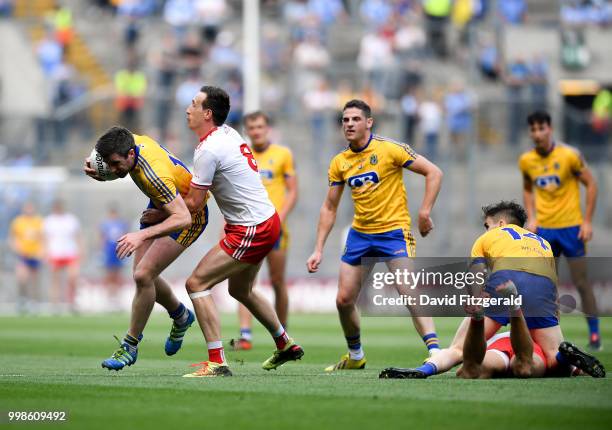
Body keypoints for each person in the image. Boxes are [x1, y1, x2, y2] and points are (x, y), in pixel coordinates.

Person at [380, 201, 605, 379]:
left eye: (487, 224)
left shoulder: (489, 236)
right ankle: (567, 359)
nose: (486, 229)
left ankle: (425, 370)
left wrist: (477, 298)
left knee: (458, 349)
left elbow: (476, 271)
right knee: (552, 358)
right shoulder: (542, 242)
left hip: (506, 280)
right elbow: (552, 287)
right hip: (542, 288)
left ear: (501, 224)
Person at [306, 99, 443, 371]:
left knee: (408, 291)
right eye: (345, 120)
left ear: (369, 122)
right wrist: (318, 248)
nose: (349, 124)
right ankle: (356, 355)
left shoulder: (390, 149)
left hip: (393, 232)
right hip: (360, 235)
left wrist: (425, 212)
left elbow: (434, 172)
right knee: (344, 300)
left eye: (355, 119)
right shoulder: (340, 162)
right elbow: (329, 207)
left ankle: (436, 350)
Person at [179, 86, 304, 377]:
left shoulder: (209, 149)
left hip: (252, 228)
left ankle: (217, 363)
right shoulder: (228, 133)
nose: (188, 109)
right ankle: (284, 343)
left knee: (196, 284)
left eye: (194, 104)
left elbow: (195, 205)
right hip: (265, 221)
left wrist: (163, 207)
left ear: (207, 114)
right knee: (240, 289)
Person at [84, 126, 208, 371]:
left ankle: (130, 345)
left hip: (189, 215)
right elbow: (114, 145)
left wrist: (141, 235)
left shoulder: (154, 175)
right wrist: (103, 172)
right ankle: (181, 315)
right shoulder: (127, 144)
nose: (114, 168)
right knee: (142, 277)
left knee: (143, 275)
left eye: (116, 164)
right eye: (109, 164)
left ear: (131, 154)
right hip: (162, 203)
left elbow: (182, 217)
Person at [520, 111, 600, 350]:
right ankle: (555, 340)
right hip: (544, 230)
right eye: (533, 129)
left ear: (550, 128)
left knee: (581, 282)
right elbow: (527, 188)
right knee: (546, 286)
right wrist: (531, 217)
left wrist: (587, 221)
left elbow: (591, 184)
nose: (537, 133)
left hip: (571, 228)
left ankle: (595, 334)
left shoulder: (569, 156)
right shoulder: (526, 160)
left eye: (541, 128)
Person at [230, 111, 298, 351]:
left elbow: (292, 191)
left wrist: (279, 218)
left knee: (278, 281)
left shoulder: (282, 154)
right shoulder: (241, 156)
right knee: (244, 283)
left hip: (276, 229)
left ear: (267, 128)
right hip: (248, 227)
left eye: (260, 126)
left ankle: (283, 332)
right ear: (246, 131)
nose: (256, 131)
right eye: (252, 127)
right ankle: (246, 335)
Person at [43, 200, 82, 314]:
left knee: (72, 277)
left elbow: (78, 236)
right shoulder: (49, 221)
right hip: (55, 253)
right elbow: (45, 238)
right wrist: (45, 252)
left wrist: (81, 250)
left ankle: (72, 302)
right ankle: (55, 304)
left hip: (70, 252)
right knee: (56, 280)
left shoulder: (71, 220)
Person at [9, 202, 44, 313]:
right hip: (23, 254)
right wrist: (17, 248)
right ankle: (22, 299)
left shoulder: (39, 221)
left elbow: (43, 238)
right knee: (22, 277)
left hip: (35, 254)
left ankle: (34, 302)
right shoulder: (18, 222)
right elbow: (13, 238)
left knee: (34, 279)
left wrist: (41, 251)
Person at [99, 204, 129, 307]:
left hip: (118, 250)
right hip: (109, 251)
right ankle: (108, 297)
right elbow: (102, 238)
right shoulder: (105, 224)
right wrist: (102, 250)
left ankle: (118, 298)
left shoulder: (121, 223)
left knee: (118, 274)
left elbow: (125, 236)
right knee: (109, 274)